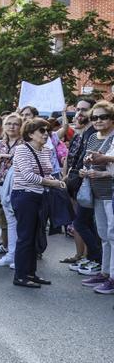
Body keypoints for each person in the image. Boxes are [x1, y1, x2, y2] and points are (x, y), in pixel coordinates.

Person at [10, 118, 65, 288]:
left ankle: (31, 273)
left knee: (35, 236)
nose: (46, 134)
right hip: (24, 196)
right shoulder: (21, 149)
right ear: (30, 134)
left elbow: (46, 172)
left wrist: (55, 180)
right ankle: (20, 275)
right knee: (25, 237)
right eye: (42, 131)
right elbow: (28, 176)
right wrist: (52, 183)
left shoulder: (46, 150)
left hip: (40, 196)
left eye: (47, 130)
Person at [75, 101, 114, 293]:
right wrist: (85, 170)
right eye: (94, 117)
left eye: (103, 117)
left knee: (113, 236)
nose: (98, 121)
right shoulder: (91, 137)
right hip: (96, 192)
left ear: (111, 118)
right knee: (104, 236)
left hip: (110, 192)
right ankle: (105, 272)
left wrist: (103, 173)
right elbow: (88, 161)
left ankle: (113, 277)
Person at [64, 99, 103, 274]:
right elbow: (71, 158)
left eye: (84, 110)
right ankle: (90, 259)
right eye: (78, 109)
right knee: (84, 223)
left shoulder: (95, 134)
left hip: (90, 186)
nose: (79, 113)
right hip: (77, 185)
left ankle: (95, 260)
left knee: (82, 223)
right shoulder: (80, 134)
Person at [0, 113, 23, 267]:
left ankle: (19, 256)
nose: (11, 126)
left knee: (19, 222)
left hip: (18, 186)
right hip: (3, 184)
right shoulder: (1, 143)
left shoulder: (24, 143)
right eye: (9, 123)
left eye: (15, 124)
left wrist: (9, 157)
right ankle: (11, 254)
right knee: (10, 221)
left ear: (21, 127)